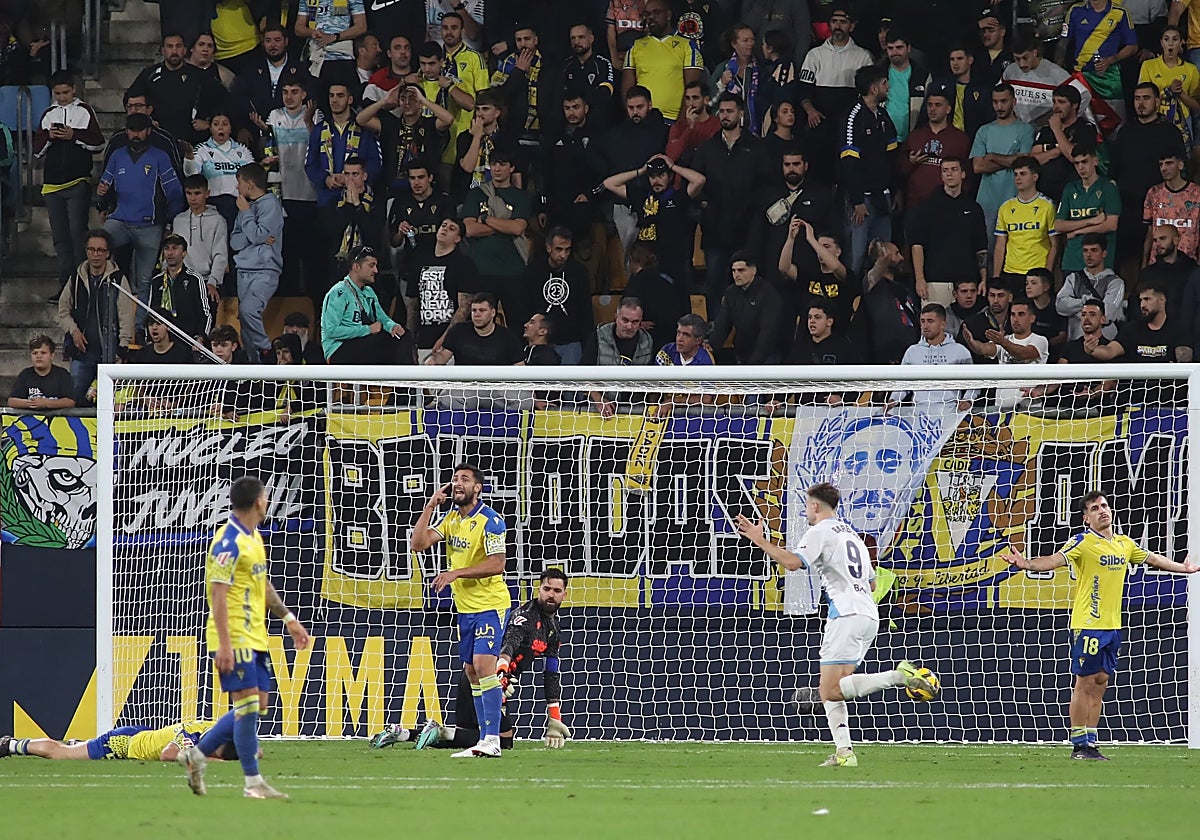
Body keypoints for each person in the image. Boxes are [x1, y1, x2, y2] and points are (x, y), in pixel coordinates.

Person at [734, 483, 939, 768]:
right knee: (833, 687)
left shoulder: (820, 531)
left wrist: (760, 540)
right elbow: (872, 582)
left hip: (845, 614)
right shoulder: (852, 536)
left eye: (807, 505)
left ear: (815, 506)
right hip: (868, 614)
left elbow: (793, 562)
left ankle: (900, 676)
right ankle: (844, 752)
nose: (806, 511)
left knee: (829, 691)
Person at [1003, 491, 1197, 760]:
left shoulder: (1124, 544)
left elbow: (1153, 559)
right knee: (1083, 683)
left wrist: (1182, 568)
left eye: (1104, 505)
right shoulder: (1082, 542)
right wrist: (1027, 564)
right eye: (1095, 508)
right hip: (1088, 624)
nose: (1102, 510)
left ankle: (1091, 744)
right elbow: (1055, 560)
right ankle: (1079, 744)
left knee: (1100, 682)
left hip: (1112, 626)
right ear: (1087, 518)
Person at [176, 476, 311, 797]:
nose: (267, 502)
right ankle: (253, 783)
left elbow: (263, 586)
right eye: (266, 497)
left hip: (255, 636)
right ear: (259, 502)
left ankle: (195, 755)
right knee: (248, 704)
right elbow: (217, 594)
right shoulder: (228, 541)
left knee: (257, 704)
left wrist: (289, 619)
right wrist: (223, 644)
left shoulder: (254, 538)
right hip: (233, 636)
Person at [373, 568, 570, 752]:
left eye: (556, 590)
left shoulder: (553, 629)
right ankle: (434, 731)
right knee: (502, 739)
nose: (551, 594)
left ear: (564, 594)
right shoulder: (524, 618)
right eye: (546, 588)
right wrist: (501, 672)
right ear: (538, 590)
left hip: (491, 682)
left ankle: (403, 734)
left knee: (471, 737)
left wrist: (554, 717)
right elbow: (508, 646)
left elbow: (551, 673)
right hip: (484, 680)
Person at [410, 464, 513, 758]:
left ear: (477, 488)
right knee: (471, 672)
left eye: (464, 480)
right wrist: (430, 505)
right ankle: (484, 738)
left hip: (491, 604)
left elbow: (497, 564)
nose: (457, 483)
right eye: (455, 479)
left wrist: (456, 573)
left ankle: (492, 739)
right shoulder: (451, 518)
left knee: (483, 666)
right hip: (465, 609)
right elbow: (418, 543)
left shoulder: (491, 521)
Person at [98, 113, 185, 333]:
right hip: (120, 220)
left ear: (148, 131)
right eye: (131, 130)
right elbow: (104, 185)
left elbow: (174, 192)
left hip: (149, 225)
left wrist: (168, 222)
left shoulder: (160, 156)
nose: (135, 135)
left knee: (145, 280)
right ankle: (105, 319)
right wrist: (102, 201)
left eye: (140, 130)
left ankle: (139, 329)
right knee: (96, 249)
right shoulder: (117, 155)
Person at [692, 93, 765, 314]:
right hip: (715, 232)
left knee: (748, 288)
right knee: (715, 286)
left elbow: (766, 185)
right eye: (721, 111)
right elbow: (695, 181)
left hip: (747, 231)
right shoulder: (708, 148)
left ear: (741, 113)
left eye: (729, 111)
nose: (725, 116)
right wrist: (704, 205)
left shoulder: (757, 147)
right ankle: (716, 333)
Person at [35, 70, 103, 300]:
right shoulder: (48, 113)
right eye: (58, 93)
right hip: (52, 184)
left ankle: (82, 285)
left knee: (77, 234)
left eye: (65, 92)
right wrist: (49, 137)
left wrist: (74, 135)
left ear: (74, 89)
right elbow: (36, 151)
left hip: (77, 181)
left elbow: (98, 143)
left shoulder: (84, 111)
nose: (62, 97)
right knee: (60, 238)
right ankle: (66, 287)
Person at [602, 154, 705, 288]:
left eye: (661, 175)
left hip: (673, 262)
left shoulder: (679, 196)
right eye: (652, 176)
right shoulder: (641, 195)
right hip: (646, 260)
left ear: (670, 177)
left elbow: (700, 180)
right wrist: (642, 170)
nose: (656, 180)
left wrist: (673, 166)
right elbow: (609, 183)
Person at [56, 230, 134, 403]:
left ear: (107, 253)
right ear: (86, 251)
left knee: (108, 403)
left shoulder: (118, 279)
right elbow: (63, 310)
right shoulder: (76, 278)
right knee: (74, 400)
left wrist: (123, 346)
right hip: (81, 354)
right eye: (91, 249)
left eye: (100, 250)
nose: (95, 254)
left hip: (109, 354)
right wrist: (73, 331)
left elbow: (126, 315)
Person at [797, 6, 874, 179]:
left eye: (843, 22)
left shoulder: (863, 57)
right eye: (834, 21)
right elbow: (803, 89)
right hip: (820, 125)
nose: (838, 26)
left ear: (852, 26)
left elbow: (868, 94)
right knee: (820, 171)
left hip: (849, 125)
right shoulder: (814, 55)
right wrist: (810, 110)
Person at [838, 66, 898, 276]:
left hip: (883, 199)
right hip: (861, 202)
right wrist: (857, 200)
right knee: (857, 257)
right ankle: (854, 304)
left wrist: (894, 190)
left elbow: (892, 155)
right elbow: (848, 163)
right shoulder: (853, 116)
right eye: (884, 83)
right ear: (874, 88)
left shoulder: (882, 115)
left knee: (884, 256)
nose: (888, 87)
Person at [462, 148, 533, 323]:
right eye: (493, 164)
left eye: (502, 164)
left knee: (518, 325)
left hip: (513, 271)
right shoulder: (476, 194)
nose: (497, 169)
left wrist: (485, 219)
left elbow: (518, 228)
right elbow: (470, 229)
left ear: (511, 167)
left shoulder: (521, 197)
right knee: (480, 324)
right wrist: (504, 224)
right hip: (481, 271)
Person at [908, 156, 988, 305]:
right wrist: (920, 279)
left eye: (954, 169)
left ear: (963, 174)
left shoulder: (974, 208)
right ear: (941, 175)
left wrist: (983, 279)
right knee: (933, 327)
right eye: (945, 171)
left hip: (967, 284)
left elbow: (981, 247)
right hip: (936, 282)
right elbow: (917, 245)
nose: (949, 174)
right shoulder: (927, 207)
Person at [971, 83, 1036, 256]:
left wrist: (992, 156)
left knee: (1016, 254)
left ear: (1014, 101)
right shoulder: (984, 131)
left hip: (1016, 201)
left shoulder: (1025, 130)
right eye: (995, 102)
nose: (999, 107)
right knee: (987, 254)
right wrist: (1011, 159)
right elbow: (978, 166)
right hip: (986, 204)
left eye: (1004, 101)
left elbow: (1024, 162)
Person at [230, 163, 285, 362]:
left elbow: (257, 234)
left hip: (264, 270)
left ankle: (267, 352)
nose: (237, 187)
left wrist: (248, 219)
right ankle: (256, 371)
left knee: (248, 310)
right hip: (242, 270)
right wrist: (255, 234)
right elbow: (235, 242)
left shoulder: (270, 205)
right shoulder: (245, 206)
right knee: (245, 324)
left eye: (239, 182)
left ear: (250, 184)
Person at [127, 33, 225, 145]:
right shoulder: (149, 74)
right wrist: (145, 119)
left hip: (192, 141)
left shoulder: (199, 76)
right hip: (158, 139)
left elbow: (223, 101)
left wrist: (210, 122)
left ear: (184, 50)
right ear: (163, 51)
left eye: (178, 46)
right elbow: (129, 98)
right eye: (170, 46)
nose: (174, 51)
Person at [322, 245, 412, 365]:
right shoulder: (338, 292)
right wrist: (367, 329)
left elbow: (382, 318)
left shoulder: (369, 292)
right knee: (386, 343)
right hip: (339, 349)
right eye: (371, 266)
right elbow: (331, 331)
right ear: (356, 267)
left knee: (403, 336)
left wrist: (393, 326)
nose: (376, 270)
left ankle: (404, 379)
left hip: (362, 343)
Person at [622, 0, 704, 123]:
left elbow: (692, 89)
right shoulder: (635, 46)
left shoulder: (688, 45)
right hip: (644, 122)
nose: (651, 17)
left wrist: (680, 125)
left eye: (656, 12)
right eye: (647, 14)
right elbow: (627, 89)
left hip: (674, 121)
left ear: (668, 15)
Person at [1057, 0, 1137, 125]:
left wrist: (1110, 60)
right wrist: (1059, 73)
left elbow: (1132, 46)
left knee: (1114, 123)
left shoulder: (1120, 12)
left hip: (1109, 78)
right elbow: (1063, 43)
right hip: (1081, 77)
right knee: (1081, 121)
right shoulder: (1075, 10)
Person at [961, 297, 1050, 409]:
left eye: (1021, 314)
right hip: (1001, 408)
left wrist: (1003, 342)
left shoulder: (1040, 340)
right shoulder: (1005, 340)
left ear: (1032, 318)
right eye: (1013, 315)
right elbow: (984, 349)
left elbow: (1025, 354)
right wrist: (972, 342)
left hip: (1029, 409)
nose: (1015, 319)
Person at [523, 227, 593, 365]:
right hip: (541, 342)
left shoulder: (579, 272)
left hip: (571, 342)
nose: (563, 255)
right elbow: (525, 307)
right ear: (549, 248)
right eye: (559, 249)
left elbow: (585, 311)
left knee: (569, 386)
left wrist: (586, 345)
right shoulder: (532, 273)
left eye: (567, 250)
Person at [887, 304, 975, 412]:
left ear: (942, 324)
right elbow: (902, 384)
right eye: (923, 321)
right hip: (919, 413)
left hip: (951, 413)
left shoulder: (960, 351)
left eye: (930, 321)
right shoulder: (912, 352)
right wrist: (893, 400)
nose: (925, 326)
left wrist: (968, 399)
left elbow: (973, 383)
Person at [993, 156, 1058, 294]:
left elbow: (1055, 244)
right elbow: (1000, 244)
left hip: (1037, 273)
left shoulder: (1047, 206)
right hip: (1010, 273)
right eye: (1015, 174)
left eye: (1023, 174)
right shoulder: (1006, 207)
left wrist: (1047, 274)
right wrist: (996, 277)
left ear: (1035, 177)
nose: (1018, 178)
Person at [413, 217, 475, 363]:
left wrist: (446, 339)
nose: (445, 229)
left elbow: (464, 307)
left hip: (451, 345)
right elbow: (413, 304)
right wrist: (411, 339)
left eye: (451, 228)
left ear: (458, 239)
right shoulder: (421, 260)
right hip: (423, 340)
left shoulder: (464, 263)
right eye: (443, 225)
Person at [1, 721, 219, 762]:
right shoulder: (190, 736)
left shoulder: (211, 726)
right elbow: (167, 754)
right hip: (123, 743)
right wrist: (218, 762)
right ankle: (11, 745)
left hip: (142, 735)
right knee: (59, 753)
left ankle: (81, 743)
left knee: (77, 747)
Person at [1054, 143, 1120, 275]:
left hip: (1100, 264)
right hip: (1072, 260)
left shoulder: (1108, 187)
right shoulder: (1070, 188)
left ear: (1095, 161)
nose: (1080, 167)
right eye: (1076, 163)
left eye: (1084, 162)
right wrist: (1091, 221)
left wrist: (1077, 231)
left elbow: (1111, 225)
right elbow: (1058, 225)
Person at [900, 89, 971, 210]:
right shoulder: (915, 136)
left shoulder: (960, 139)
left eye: (938, 105)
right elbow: (900, 169)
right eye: (929, 105)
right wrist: (910, 162)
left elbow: (968, 174)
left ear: (948, 109)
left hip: (948, 205)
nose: (932, 109)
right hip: (916, 204)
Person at [1088, 281, 1193, 363]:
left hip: (1167, 389)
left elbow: (1185, 361)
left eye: (1147, 299)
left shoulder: (1178, 330)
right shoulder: (1131, 330)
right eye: (1141, 300)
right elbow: (1110, 351)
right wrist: (1092, 350)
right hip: (1138, 389)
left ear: (1162, 300)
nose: (1142, 305)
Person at [853, 239, 919, 364]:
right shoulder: (871, 284)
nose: (901, 257)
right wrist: (880, 246)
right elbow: (883, 259)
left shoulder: (903, 288)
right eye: (896, 253)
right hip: (885, 356)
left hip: (910, 354)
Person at [1031, 85, 1098, 204]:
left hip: (1074, 195)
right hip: (1044, 196)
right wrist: (1059, 149)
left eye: (1061, 102)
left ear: (1074, 105)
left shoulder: (1085, 128)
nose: (1056, 106)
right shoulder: (1046, 130)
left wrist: (1057, 130)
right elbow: (1034, 159)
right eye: (1054, 102)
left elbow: (1075, 157)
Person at [1138, 25, 1200, 153]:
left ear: (1181, 42)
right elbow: (1143, 98)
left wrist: (1181, 93)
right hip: (1155, 123)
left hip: (1182, 128)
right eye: (1166, 39)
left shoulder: (1191, 69)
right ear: (1161, 43)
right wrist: (1168, 91)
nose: (1170, 43)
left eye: (1175, 39)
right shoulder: (1149, 65)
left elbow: (1197, 107)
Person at [777, 218, 850, 327]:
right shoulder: (809, 273)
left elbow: (835, 267)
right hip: (807, 336)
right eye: (819, 247)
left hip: (834, 335)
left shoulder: (845, 274)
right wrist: (791, 238)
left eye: (826, 247)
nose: (820, 250)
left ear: (838, 251)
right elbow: (784, 268)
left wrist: (811, 239)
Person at [1057, 234, 1125, 340]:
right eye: (1085, 250)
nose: (1089, 255)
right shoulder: (1073, 278)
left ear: (1104, 253)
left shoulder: (1116, 282)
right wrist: (1085, 302)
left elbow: (1107, 313)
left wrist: (1075, 309)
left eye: (1094, 250)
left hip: (1105, 342)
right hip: (1076, 341)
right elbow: (1060, 305)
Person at [150, 233, 215, 343]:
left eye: (175, 248)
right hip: (163, 341)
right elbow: (151, 313)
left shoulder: (194, 278)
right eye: (166, 249)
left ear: (184, 253)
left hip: (189, 341)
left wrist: (201, 337)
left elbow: (205, 313)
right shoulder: (157, 281)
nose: (170, 253)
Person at [426, 292, 523, 366]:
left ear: (493, 313)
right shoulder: (458, 331)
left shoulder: (508, 337)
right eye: (474, 310)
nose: (477, 314)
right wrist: (433, 359)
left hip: (497, 388)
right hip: (464, 387)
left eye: (482, 310)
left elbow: (520, 367)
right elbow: (443, 355)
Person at [1002, 32, 1075, 129]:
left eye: (1025, 58)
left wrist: (1067, 121)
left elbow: (1083, 95)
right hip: (1017, 128)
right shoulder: (1010, 71)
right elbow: (1000, 95)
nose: (1021, 64)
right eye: (1017, 59)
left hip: (1046, 129)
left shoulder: (1056, 73)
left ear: (1035, 53)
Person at [172, 175, 228, 301]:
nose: (192, 198)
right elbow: (173, 251)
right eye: (189, 193)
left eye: (197, 193)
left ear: (207, 194)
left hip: (207, 281)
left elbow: (220, 254)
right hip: (181, 279)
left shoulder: (218, 220)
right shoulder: (179, 220)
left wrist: (213, 282)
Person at [1142, 148, 1200, 262]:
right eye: (1161, 165)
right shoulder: (1154, 193)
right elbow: (1149, 231)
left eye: (1169, 163)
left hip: (1188, 263)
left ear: (1180, 165)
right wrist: (1145, 263)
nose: (1164, 168)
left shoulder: (1197, 193)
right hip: (1158, 263)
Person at [562, 23, 616, 126]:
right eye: (573, 38)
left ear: (591, 39)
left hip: (598, 125)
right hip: (571, 125)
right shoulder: (566, 66)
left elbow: (605, 94)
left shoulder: (603, 64)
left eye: (581, 37)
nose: (576, 42)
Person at [7, 335, 75, 411]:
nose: (38, 356)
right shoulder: (25, 374)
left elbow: (70, 402)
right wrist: (32, 403)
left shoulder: (62, 374)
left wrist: (46, 403)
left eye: (43, 352)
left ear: (52, 356)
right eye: (35, 353)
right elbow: (11, 401)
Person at [1025, 268, 1069, 359]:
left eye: (1033, 283)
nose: (1028, 287)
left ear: (1046, 287)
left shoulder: (1058, 307)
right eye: (1027, 283)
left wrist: (1042, 345)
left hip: (1054, 355)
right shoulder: (1025, 308)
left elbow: (1062, 336)